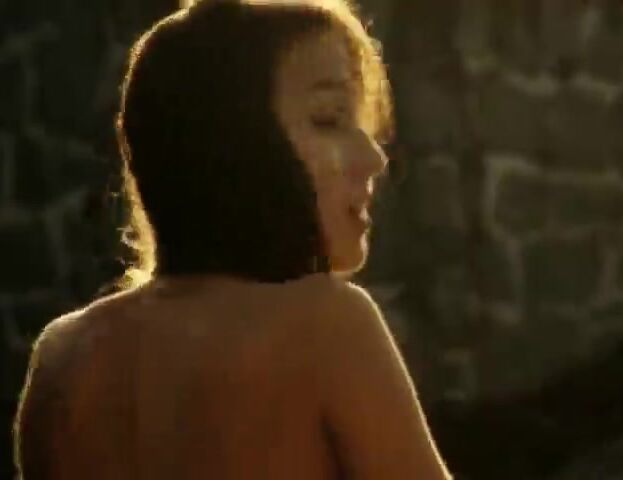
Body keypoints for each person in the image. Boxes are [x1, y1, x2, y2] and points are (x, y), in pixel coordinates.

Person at [12, 0, 453, 478]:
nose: (373, 159)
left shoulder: (63, 358)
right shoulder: (328, 324)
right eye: (328, 118)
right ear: (231, 140)